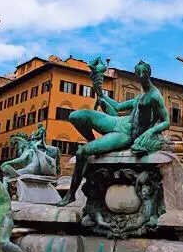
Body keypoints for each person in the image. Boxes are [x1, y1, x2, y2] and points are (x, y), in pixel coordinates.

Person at [59, 58, 170, 205]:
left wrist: (150, 132)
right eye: (138, 72)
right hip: (118, 122)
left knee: (82, 153)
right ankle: (94, 144)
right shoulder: (140, 97)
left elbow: (166, 121)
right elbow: (117, 107)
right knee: (76, 116)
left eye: (143, 72)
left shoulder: (155, 96)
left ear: (148, 73)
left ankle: (71, 194)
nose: (140, 75)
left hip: (125, 135)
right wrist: (102, 94)